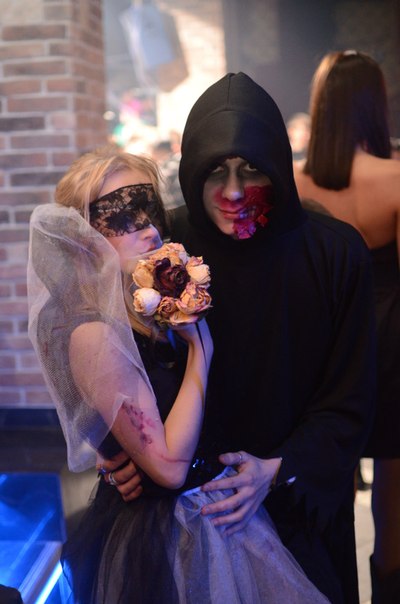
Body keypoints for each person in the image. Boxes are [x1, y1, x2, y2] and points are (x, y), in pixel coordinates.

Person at [27, 146, 330, 603]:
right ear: (84, 239)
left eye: (150, 211)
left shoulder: (145, 306)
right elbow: (169, 467)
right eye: (123, 217)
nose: (150, 229)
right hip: (168, 537)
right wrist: (200, 350)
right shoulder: (94, 333)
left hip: (215, 515)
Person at [166, 72, 377, 604]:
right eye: (216, 170)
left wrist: (277, 470)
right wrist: (120, 450)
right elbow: (125, 367)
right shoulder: (166, 250)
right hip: (188, 507)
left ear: (279, 166)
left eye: (252, 168)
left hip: (300, 508)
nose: (235, 191)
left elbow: (349, 401)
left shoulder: (334, 253)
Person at [293, 50, 400, 603]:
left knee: (321, 476)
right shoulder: (396, 178)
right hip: (387, 342)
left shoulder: (291, 182)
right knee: (394, 486)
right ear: (375, 106)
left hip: (319, 344)